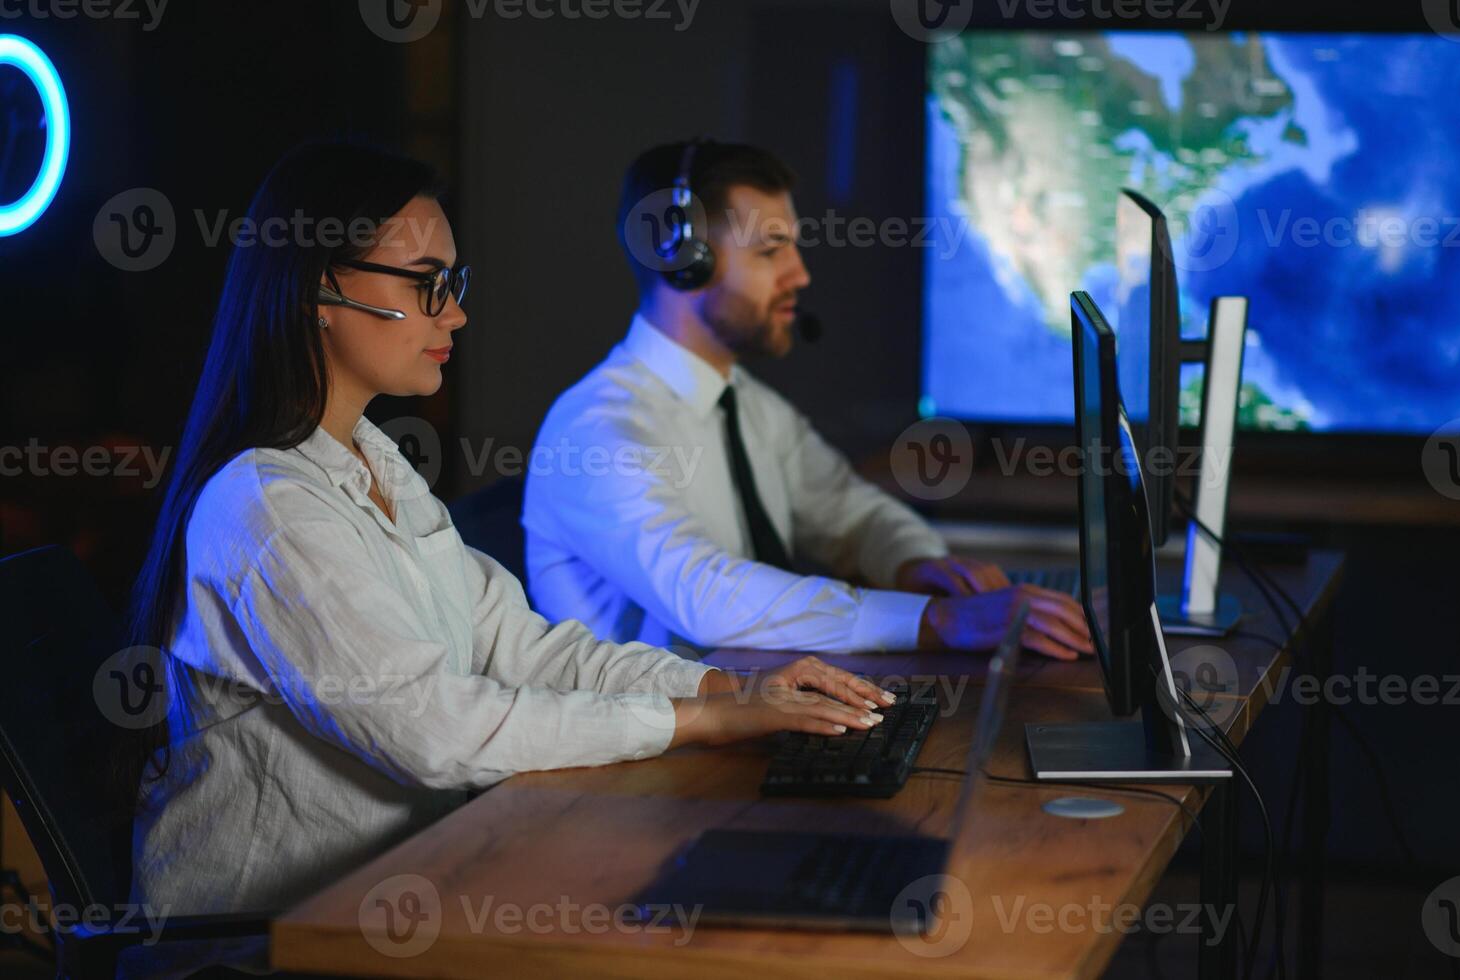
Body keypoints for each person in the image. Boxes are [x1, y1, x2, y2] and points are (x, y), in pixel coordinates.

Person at [122, 142, 890, 929]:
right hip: (270, 940)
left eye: (453, 284)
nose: (454, 313)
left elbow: (527, 649)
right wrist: (701, 722)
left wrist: (729, 692)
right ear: (321, 288)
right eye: (426, 286)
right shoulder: (266, 507)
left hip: (412, 885)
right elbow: (432, 728)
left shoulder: (374, 460)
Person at [523, 140, 1095, 660]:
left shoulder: (749, 406)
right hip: (638, 763)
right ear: (682, 257)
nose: (800, 274)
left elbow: (848, 511)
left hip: (735, 724)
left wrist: (922, 565)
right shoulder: (599, 431)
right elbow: (705, 595)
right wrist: (935, 620)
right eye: (772, 250)